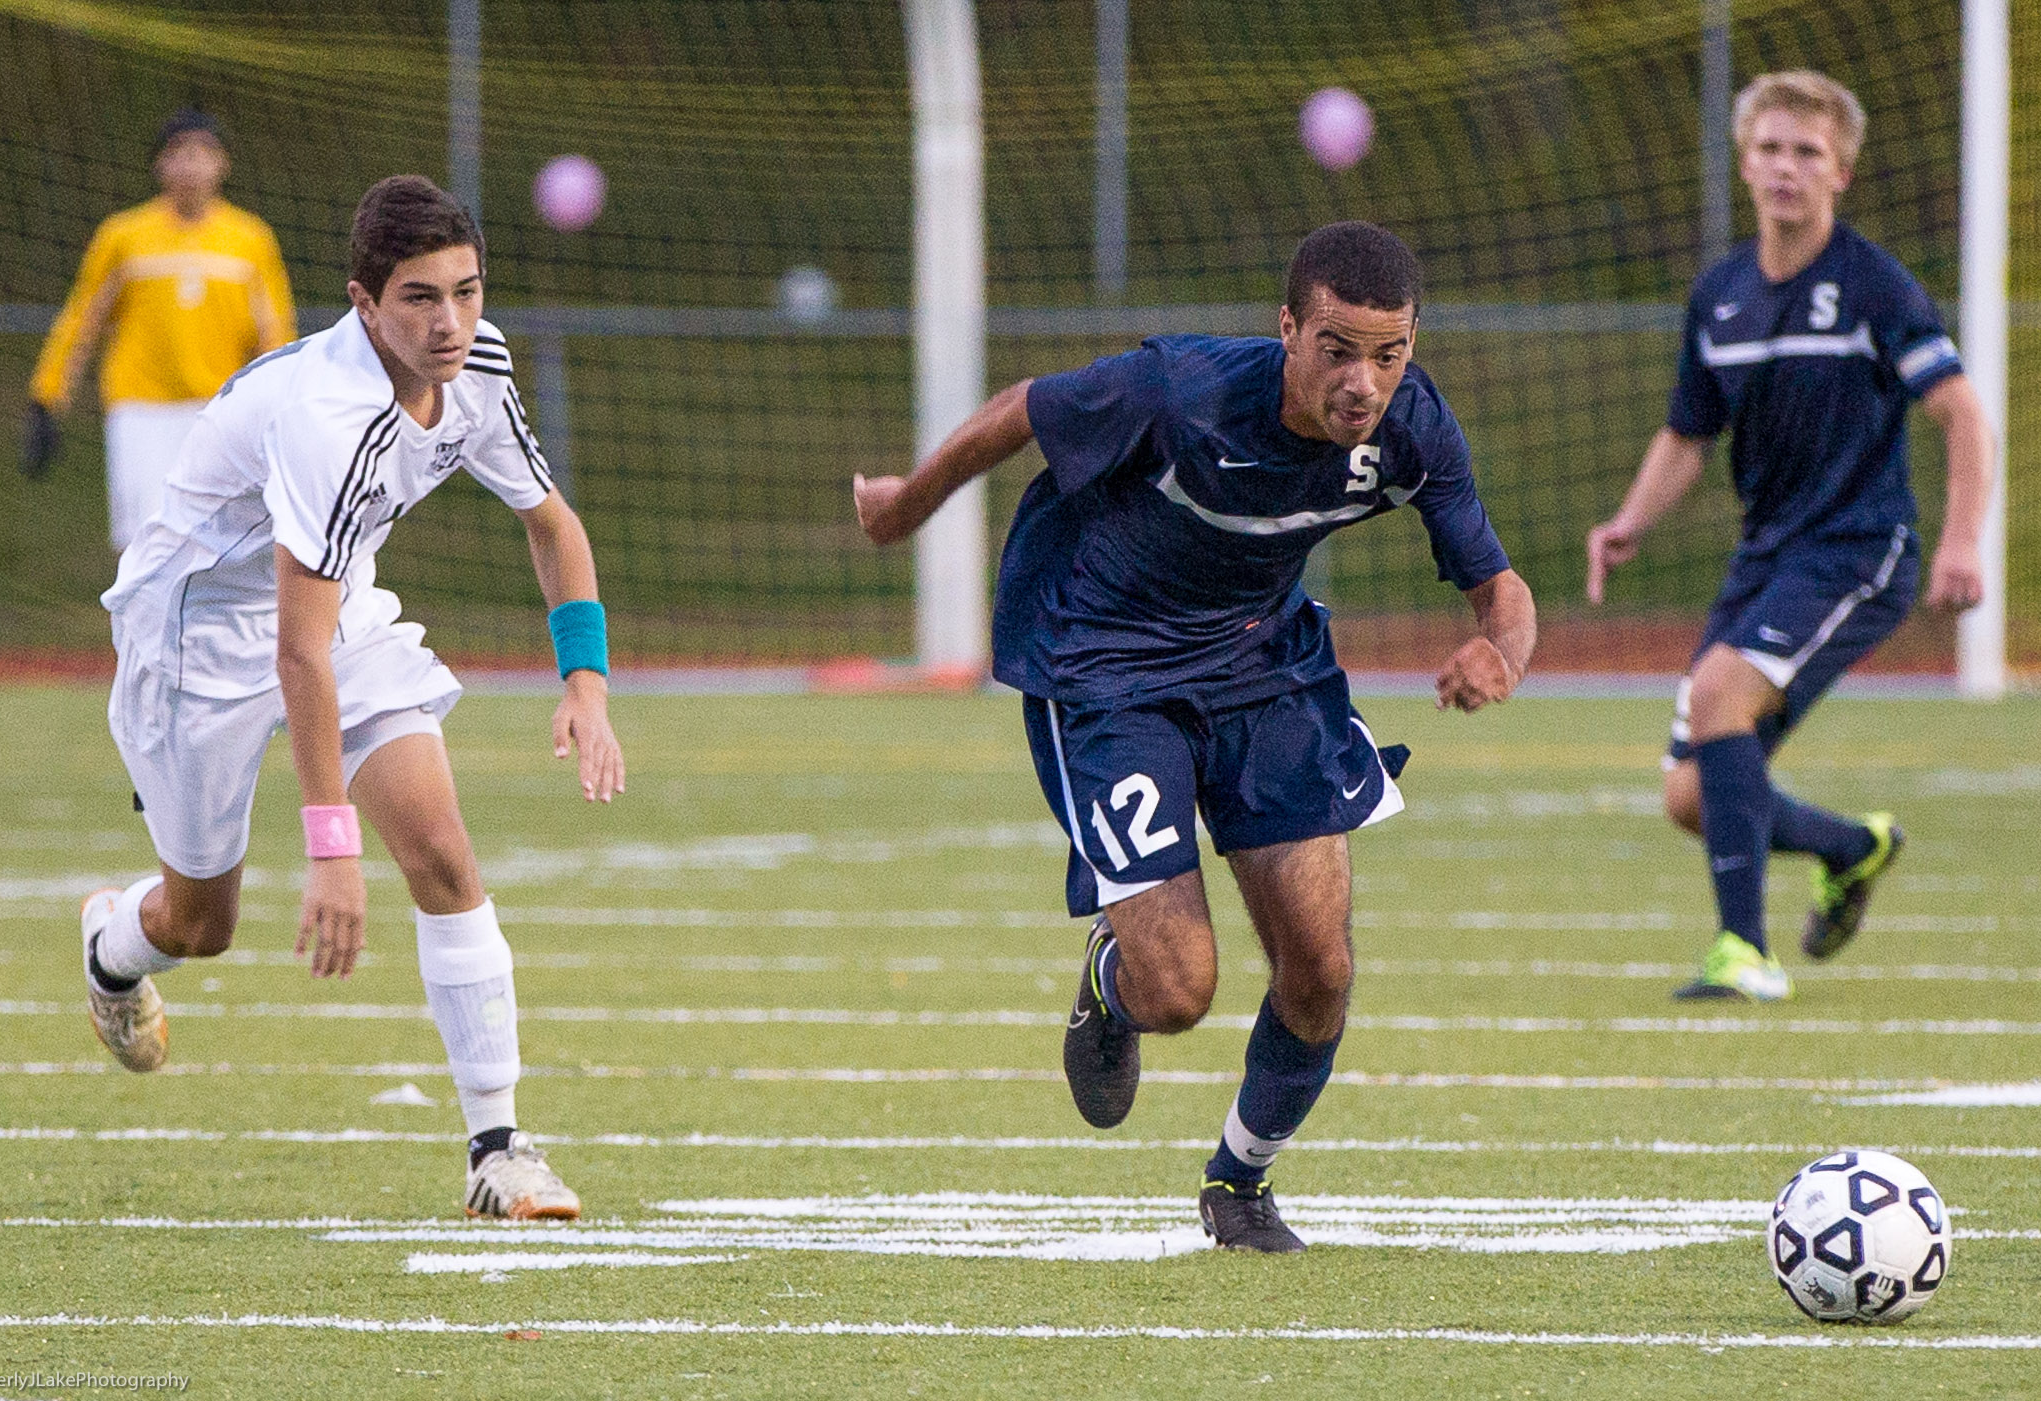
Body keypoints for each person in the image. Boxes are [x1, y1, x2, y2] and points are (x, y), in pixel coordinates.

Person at [854, 221, 1535, 1253]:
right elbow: (1023, 411)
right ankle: (1108, 985)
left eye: (1389, 354)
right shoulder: (1183, 391)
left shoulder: (1414, 430)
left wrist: (1502, 651)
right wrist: (909, 504)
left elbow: (1502, 588)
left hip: (1263, 668)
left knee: (1320, 967)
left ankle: (1239, 1184)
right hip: (1109, 670)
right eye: (1338, 349)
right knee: (1177, 993)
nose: (1364, 381)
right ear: (1287, 330)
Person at [82, 174, 626, 1221]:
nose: (451, 322)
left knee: (442, 853)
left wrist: (586, 683)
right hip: (194, 637)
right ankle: (111, 943)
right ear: (363, 303)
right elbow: (296, 653)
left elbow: (551, 523)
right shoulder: (327, 417)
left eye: (467, 291)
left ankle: (500, 1147)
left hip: (338, 611)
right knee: (201, 925)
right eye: (420, 298)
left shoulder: (479, 364)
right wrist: (332, 849)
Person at [1586, 71, 1994, 1002]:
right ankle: (1853, 848)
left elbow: (1964, 416)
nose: (1785, 167)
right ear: (1745, 161)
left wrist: (1963, 542)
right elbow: (1688, 433)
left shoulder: (1873, 285)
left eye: (1807, 152)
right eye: (1770, 148)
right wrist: (1629, 523)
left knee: (1718, 692)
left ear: (1840, 172)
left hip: (1860, 548)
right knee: (1691, 797)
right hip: (1767, 555)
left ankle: (1745, 951)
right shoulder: (1721, 294)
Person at [26, 109, 295, 549]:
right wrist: (47, 395)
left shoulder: (251, 239)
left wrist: (281, 406)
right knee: (145, 545)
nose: (191, 166)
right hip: (140, 412)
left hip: (218, 411)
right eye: (179, 154)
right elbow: (81, 320)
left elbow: (274, 333)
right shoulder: (123, 235)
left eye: (203, 154)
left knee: (217, 545)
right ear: (159, 164)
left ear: (223, 164)